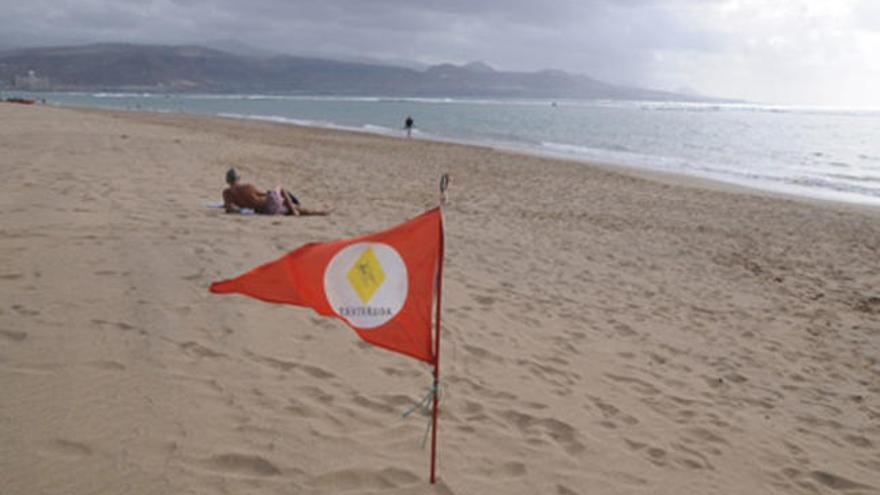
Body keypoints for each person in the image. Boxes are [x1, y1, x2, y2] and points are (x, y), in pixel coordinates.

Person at [222, 168, 328, 216]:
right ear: (238, 179)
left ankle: (296, 209)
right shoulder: (248, 187)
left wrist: (240, 209)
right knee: (281, 188)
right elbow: (263, 194)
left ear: (228, 181)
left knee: (288, 208)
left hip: (265, 211)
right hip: (269, 203)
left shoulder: (226, 193)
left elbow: (230, 208)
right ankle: (298, 209)